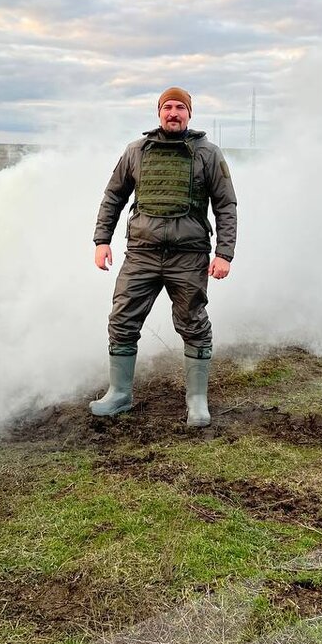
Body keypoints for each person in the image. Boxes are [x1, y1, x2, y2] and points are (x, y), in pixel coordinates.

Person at [90, 87, 237, 426]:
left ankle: (197, 401)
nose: (174, 113)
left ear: (189, 114)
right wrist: (102, 240)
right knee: (123, 320)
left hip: (189, 256)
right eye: (168, 107)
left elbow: (226, 206)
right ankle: (119, 394)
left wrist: (224, 253)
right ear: (159, 113)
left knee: (193, 323)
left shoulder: (208, 154)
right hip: (141, 253)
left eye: (180, 108)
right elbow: (113, 197)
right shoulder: (136, 151)